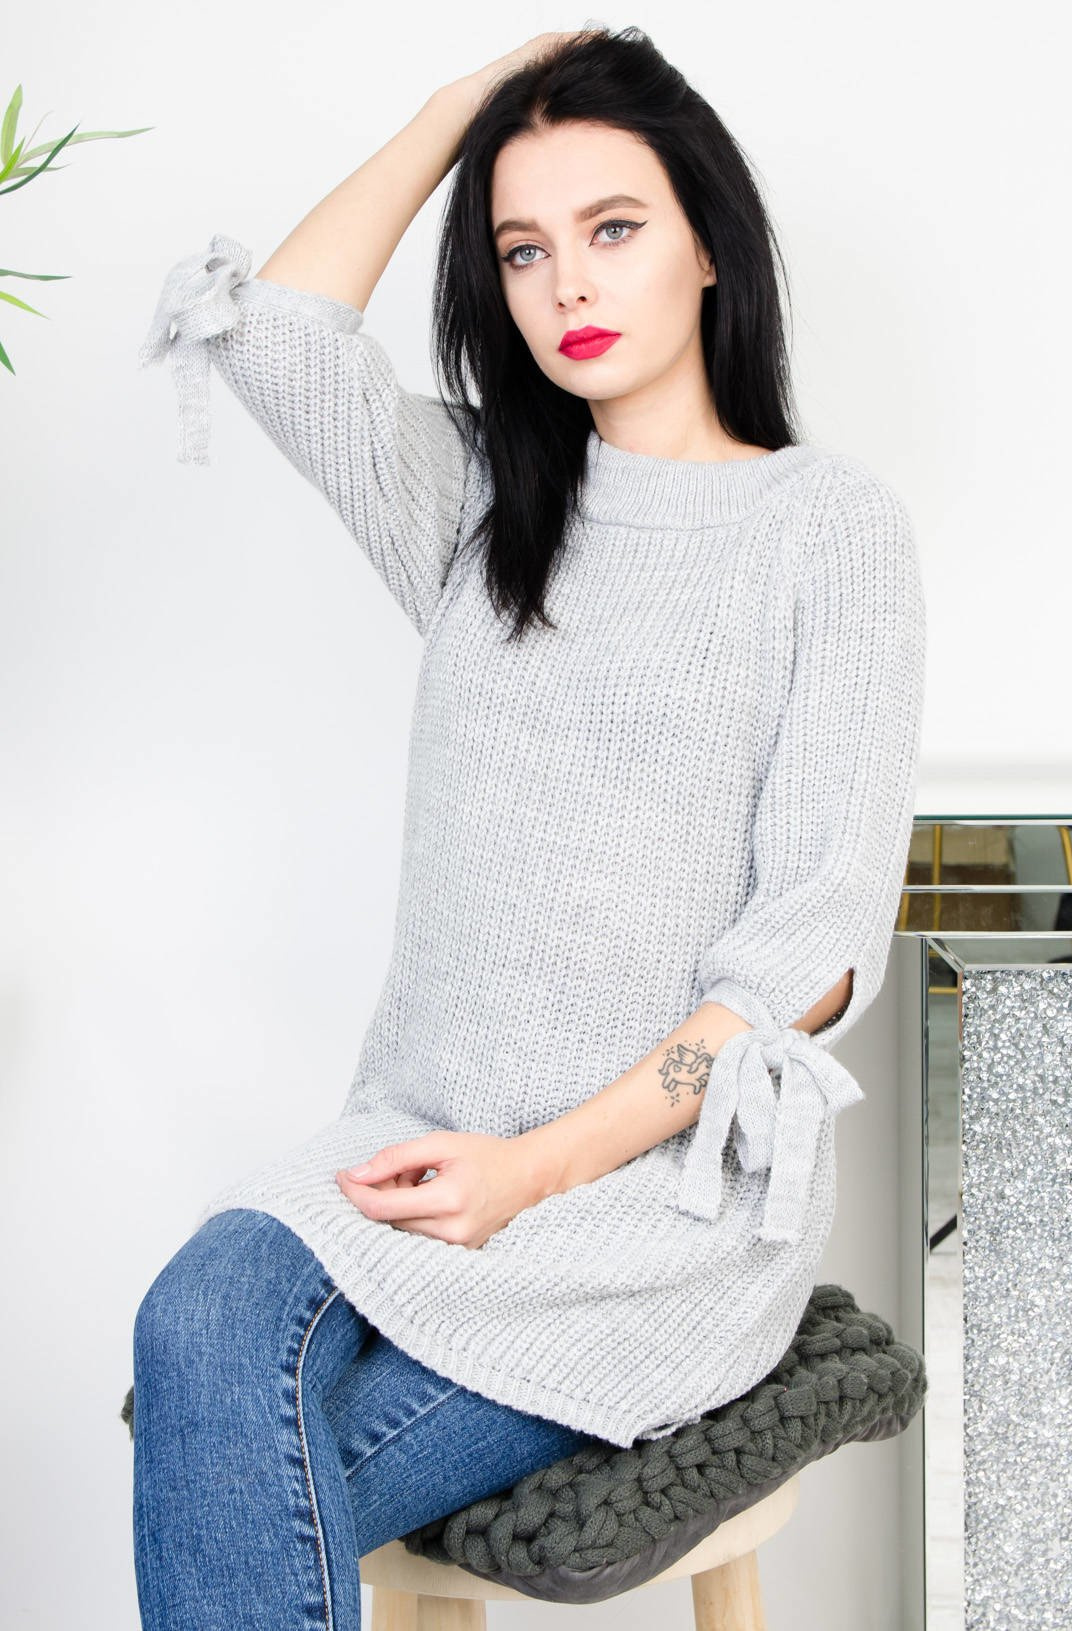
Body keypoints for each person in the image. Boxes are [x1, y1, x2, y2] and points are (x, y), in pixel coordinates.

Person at [131, 24, 927, 1630]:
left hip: (648, 1214)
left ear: (709, 243)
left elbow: (811, 963)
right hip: (413, 1145)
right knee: (196, 1319)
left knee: (258, 1469)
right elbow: (282, 335)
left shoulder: (823, 529)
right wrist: (461, 109)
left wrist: (533, 1173)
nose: (568, 283)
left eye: (613, 227)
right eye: (521, 247)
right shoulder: (487, 500)